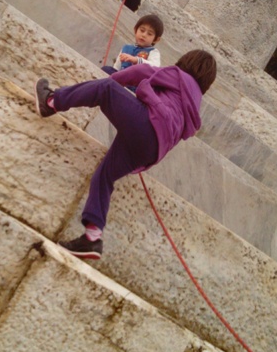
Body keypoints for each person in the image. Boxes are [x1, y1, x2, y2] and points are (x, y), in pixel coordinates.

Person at [35, 49, 217, 259]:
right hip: (152, 150)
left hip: (147, 125)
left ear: (188, 61)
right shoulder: (194, 102)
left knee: (106, 89)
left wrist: (108, 80)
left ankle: (51, 102)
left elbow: (142, 72)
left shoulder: (179, 75)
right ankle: (92, 238)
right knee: (105, 176)